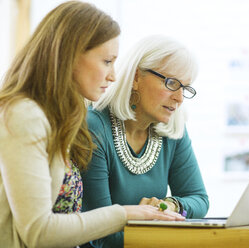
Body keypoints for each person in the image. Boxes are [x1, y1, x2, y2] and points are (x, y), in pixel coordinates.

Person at [0, 2, 183, 248]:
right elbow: (38, 232)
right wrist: (125, 214)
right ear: (70, 56)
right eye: (107, 61)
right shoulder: (24, 115)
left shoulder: (59, 117)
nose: (114, 75)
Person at [82, 34, 209, 247]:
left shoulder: (173, 129)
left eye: (185, 88)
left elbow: (198, 198)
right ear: (136, 77)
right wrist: (165, 232)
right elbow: (100, 235)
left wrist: (170, 206)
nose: (179, 98)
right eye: (171, 83)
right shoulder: (94, 127)